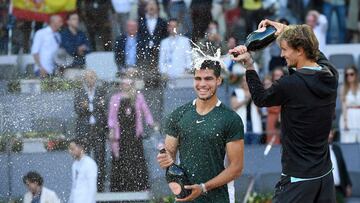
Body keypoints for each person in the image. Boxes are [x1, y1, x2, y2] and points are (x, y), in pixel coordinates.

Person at [230, 19, 338, 203]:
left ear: (300, 50)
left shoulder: (290, 84)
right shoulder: (330, 74)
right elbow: (315, 52)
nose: (282, 54)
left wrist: (249, 65)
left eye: (285, 49)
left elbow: (260, 98)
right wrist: (285, 30)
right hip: (324, 176)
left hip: (298, 178)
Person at [157, 59, 244, 202]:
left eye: (208, 78)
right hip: (187, 198)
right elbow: (169, 157)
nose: (202, 84)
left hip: (220, 198)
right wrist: (164, 159)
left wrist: (203, 187)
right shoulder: (178, 115)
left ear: (219, 81)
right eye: (198, 78)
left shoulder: (230, 119)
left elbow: (236, 168)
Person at [108, 77, 155, 192]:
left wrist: (151, 123)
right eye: (124, 84)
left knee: (136, 159)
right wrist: (111, 129)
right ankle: (121, 186)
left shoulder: (138, 97)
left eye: (128, 84)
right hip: (121, 135)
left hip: (134, 134)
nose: (126, 86)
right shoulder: (115, 98)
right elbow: (112, 116)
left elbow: (146, 112)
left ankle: (138, 185)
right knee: (121, 159)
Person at [73, 70, 107, 192]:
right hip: (84, 130)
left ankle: (99, 188)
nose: (90, 80)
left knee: (100, 159)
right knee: (83, 159)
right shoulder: (79, 92)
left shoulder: (102, 91)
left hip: (98, 130)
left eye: (92, 77)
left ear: (96, 78)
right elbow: (77, 109)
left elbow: (105, 108)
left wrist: (91, 106)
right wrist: (87, 107)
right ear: (84, 79)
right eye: (87, 78)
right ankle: (84, 187)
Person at [231, 75, 263, 144]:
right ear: (241, 82)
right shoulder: (236, 92)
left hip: (255, 124)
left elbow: (260, 110)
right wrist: (246, 99)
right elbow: (234, 106)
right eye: (244, 81)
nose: (246, 83)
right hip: (241, 124)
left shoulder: (256, 92)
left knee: (256, 148)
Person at [68, 137, 98, 203]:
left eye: (72, 149)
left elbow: (92, 187)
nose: (70, 152)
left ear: (80, 148)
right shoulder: (74, 165)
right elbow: (74, 186)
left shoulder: (90, 164)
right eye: (69, 149)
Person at [328, 128, 352, 203]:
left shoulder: (337, 149)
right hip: (326, 189)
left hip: (339, 189)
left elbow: (343, 168)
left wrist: (348, 184)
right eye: (328, 133)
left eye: (332, 133)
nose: (330, 136)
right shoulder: (319, 151)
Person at [339, 65, 360, 143]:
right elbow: (344, 106)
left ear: (356, 74)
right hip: (349, 116)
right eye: (347, 75)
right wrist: (345, 121)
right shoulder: (343, 88)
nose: (349, 76)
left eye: (351, 74)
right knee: (348, 141)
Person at [265, 67, 285, 145]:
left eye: (280, 75)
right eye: (276, 75)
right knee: (273, 142)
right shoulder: (269, 89)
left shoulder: (288, 87)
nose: (278, 77)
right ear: (273, 77)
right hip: (273, 118)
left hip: (286, 118)